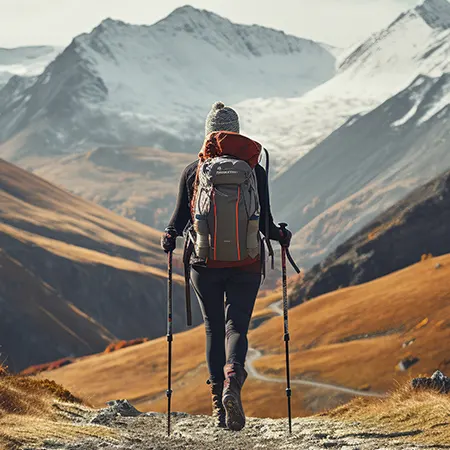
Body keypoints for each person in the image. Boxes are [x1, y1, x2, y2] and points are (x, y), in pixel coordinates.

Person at [161, 101, 292, 431]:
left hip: (204, 263)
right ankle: (234, 379)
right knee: (237, 328)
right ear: (236, 133)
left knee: (214, 328)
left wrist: (169, 236)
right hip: (246, 263)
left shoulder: (195, 170)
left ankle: (219, 405)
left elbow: (178, 221)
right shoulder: (254, 171)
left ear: (209, 134)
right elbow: (264, 225)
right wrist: (281, 235)